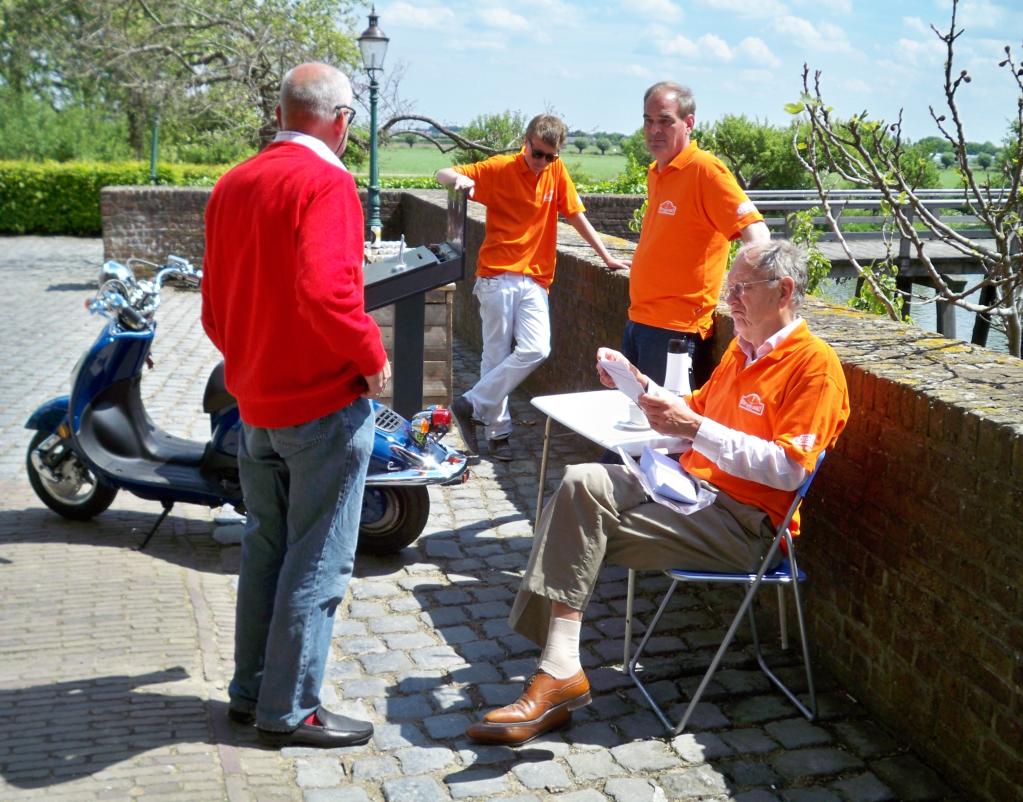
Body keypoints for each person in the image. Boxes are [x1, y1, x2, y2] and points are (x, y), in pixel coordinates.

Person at [464, 240, 850, 746]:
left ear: (783, 291)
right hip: (690, 491)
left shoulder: (815, 367)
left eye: (741, 289)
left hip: (746, 525)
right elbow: (692, 415)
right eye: (728, 288)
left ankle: (556, 671)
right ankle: (560, 667)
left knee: (575, 527)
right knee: (580, 482)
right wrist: (640, 388)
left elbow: (787, 471)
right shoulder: (741, 350)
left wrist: (694, 428)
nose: (729, 300)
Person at [201, 62, 390, 749]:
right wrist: (371, 357)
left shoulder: (233, 183)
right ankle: (291, 709)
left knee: (266, 550)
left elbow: (214, 309)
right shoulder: (327, 183)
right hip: (320, 405)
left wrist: (252, 365)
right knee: (318, 557)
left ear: (282, 114)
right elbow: (326, 293)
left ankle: (251, 693)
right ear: (341, 121)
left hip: (256, 406)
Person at [437, 115, 631, 462]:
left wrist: (606, 256)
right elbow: (442, 173)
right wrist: (459, 180)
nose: (542, 162)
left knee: (537, 348)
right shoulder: (500, 167)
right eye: (537, 153)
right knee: (496, 355)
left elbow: (575, 215)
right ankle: (498, 433)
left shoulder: (556, 171)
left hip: (536, 278)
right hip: (497, 275)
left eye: (549, 156)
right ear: (525, 142)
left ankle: (469, 404)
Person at [627, 81, 770, 390]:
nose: (654, 130)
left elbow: (757, 234)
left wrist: (751, 299)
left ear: (689, 122)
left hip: (675, 328)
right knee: (635, 413)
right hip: (641, 318)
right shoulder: (657, 171)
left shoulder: (705, 170)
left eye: (665, 120)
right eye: (648, 121)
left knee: (666, 417)